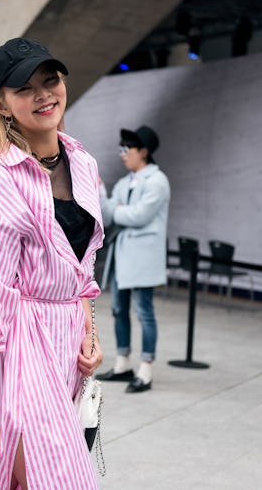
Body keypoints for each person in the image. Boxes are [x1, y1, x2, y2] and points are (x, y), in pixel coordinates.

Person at [0, 37, 104, 489]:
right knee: (56, 480)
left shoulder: (82, 164)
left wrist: (89, 334)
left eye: (49, 80)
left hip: (66, 347)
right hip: (19, 349)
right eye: (24, 88)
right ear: (3, 105)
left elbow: (82, 267)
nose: (43, 94)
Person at [95, 125, 170, 394]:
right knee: (118, 310)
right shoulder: (126, 182)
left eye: (128, 149)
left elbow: (139, 216)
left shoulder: (157, 181)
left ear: (144, 151)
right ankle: (123, 363)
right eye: (121, 149)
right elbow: (107, 214)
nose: (123, 154)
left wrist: (117, 210)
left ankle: (146, 369)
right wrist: (103, 195)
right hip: (122, 257)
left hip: (142, 259)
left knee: (144, 313)